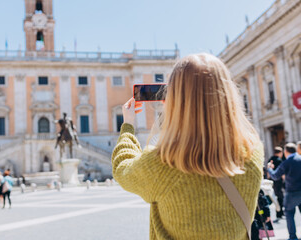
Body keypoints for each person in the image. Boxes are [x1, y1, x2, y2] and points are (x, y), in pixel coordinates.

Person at [112, 53, 264, 239]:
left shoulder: (164, 163)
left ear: (176, 98)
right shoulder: (253, 151)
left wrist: (128, 124)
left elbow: (123, 169)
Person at [268, 143, 301, 240]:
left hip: (291, 192)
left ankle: (293, 236)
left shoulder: (287, 162)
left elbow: (275, 176)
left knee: (289, 213)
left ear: (286, 152)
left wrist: (270, 169)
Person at [268, 146, 284, 221]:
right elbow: (282, 172)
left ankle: (279, 212)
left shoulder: (270, 159)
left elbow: (268, 171)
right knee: (280, 197)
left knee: (275, 196)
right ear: (280, 152)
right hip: (278, 181)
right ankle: (280, 213)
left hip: (272, 181)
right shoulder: (279, 160)